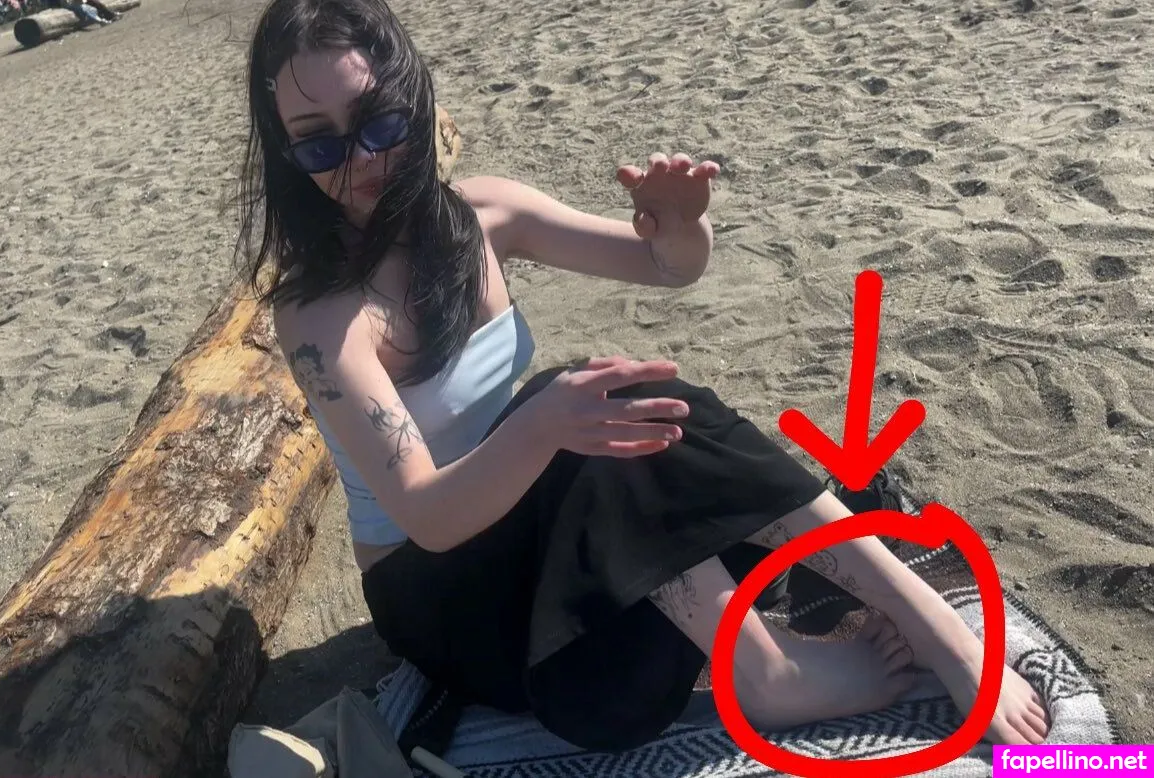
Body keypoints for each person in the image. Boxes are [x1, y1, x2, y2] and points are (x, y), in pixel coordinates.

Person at [235, 0, 1051, 754]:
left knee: (621, 417)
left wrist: (681, 225)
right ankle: (766, 674)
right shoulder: (321, 317)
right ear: (283, 151)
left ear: (414, 98)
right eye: (318, 143)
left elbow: (664, 266)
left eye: (378, 121)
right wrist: (543, 424)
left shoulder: (482, 215)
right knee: (586, 411)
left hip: (538, 523)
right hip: (446, 594)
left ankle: (935, 627)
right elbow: (427, 515)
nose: (359, 160)